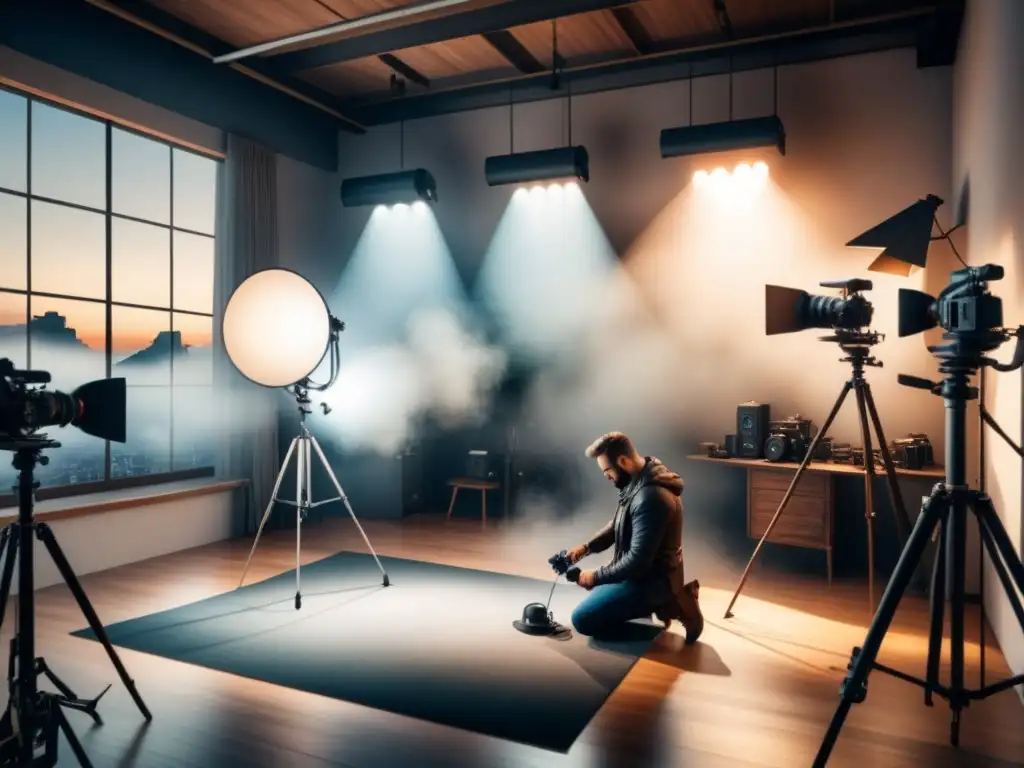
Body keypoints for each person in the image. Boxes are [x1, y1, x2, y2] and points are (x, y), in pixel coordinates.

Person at [566, 432, 703, 644]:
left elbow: (637, 562)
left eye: (608, 471)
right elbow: (618, 523)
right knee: (601, 592)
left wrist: (594, 577)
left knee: (582, 619)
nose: (608, 477)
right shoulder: (641, 477)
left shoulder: (651, 497)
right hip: (643, 574)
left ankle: (674, 604)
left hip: (652, 582)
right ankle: (648, 607)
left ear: (622, 461)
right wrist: (586, 548)